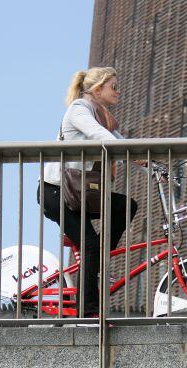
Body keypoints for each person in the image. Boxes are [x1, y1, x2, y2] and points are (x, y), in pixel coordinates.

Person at [38, 66, 138, 317]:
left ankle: (97, 261)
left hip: (79, 194)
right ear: (97, 88)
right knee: (91, 246)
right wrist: (132, 154)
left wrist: (151, 162)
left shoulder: (101, 116)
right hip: (56, 192)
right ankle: (88, 313)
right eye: (114, 86)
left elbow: (124, 143)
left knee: (126, 206)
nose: (118, 91)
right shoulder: (79, 110)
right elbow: (100, 136)